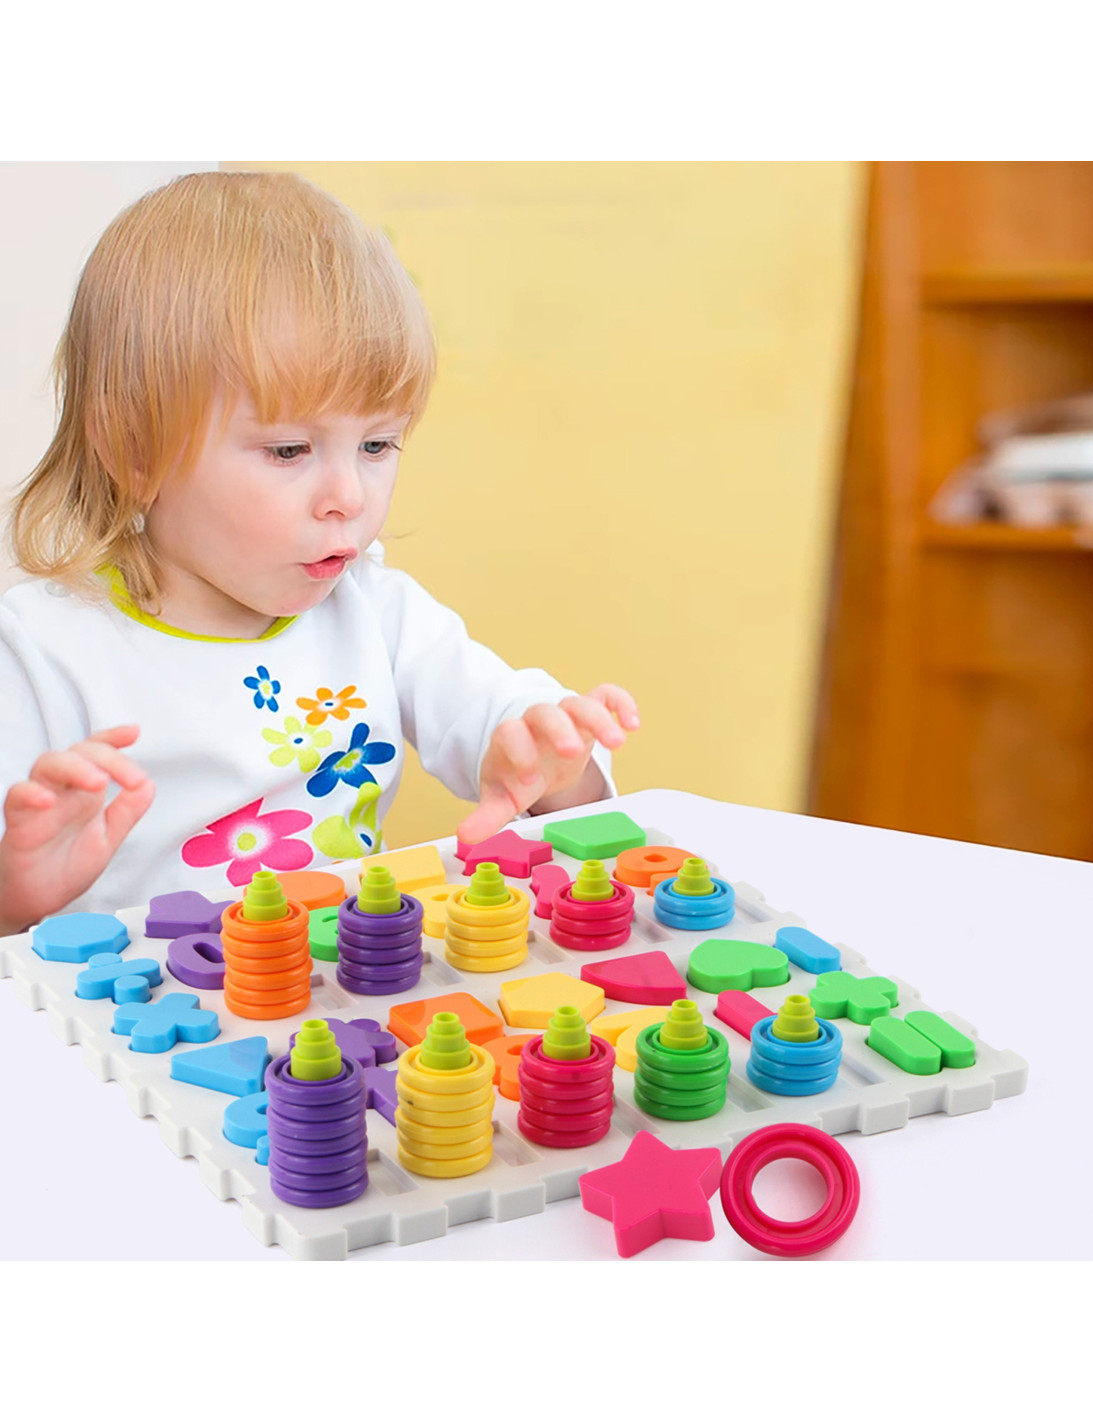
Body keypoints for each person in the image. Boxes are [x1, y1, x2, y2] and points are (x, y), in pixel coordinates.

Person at [0, 171, 639, 935]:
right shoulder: (41, 649)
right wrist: (16, 895)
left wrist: (553, 766)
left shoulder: (377, 611)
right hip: (136, 1007)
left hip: (344, 992)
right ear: (134, 449)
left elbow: (513, 732)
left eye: (377, 444)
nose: (348, 495)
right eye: (289, 450)